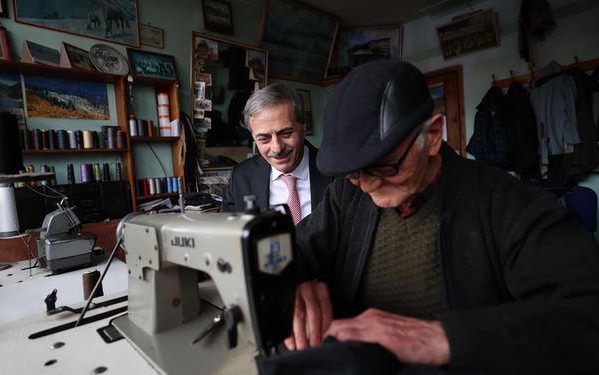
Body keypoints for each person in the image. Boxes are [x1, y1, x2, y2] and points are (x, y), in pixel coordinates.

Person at [284, 60, 599, 373]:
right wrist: (290, 285)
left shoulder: (508, 203)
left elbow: (585, 313)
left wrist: (443, 337)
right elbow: (293, 251)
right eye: (353, 172)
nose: (366, 185)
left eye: (384, 166)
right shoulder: (347, 192)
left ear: (433, 135)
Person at [220, 83, 333, 222]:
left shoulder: (337, 171)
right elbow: (228, 233)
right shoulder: (241, 177)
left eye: (286, 133)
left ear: (304, 124)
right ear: (253, 137)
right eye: (264, 138)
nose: (277, 148)